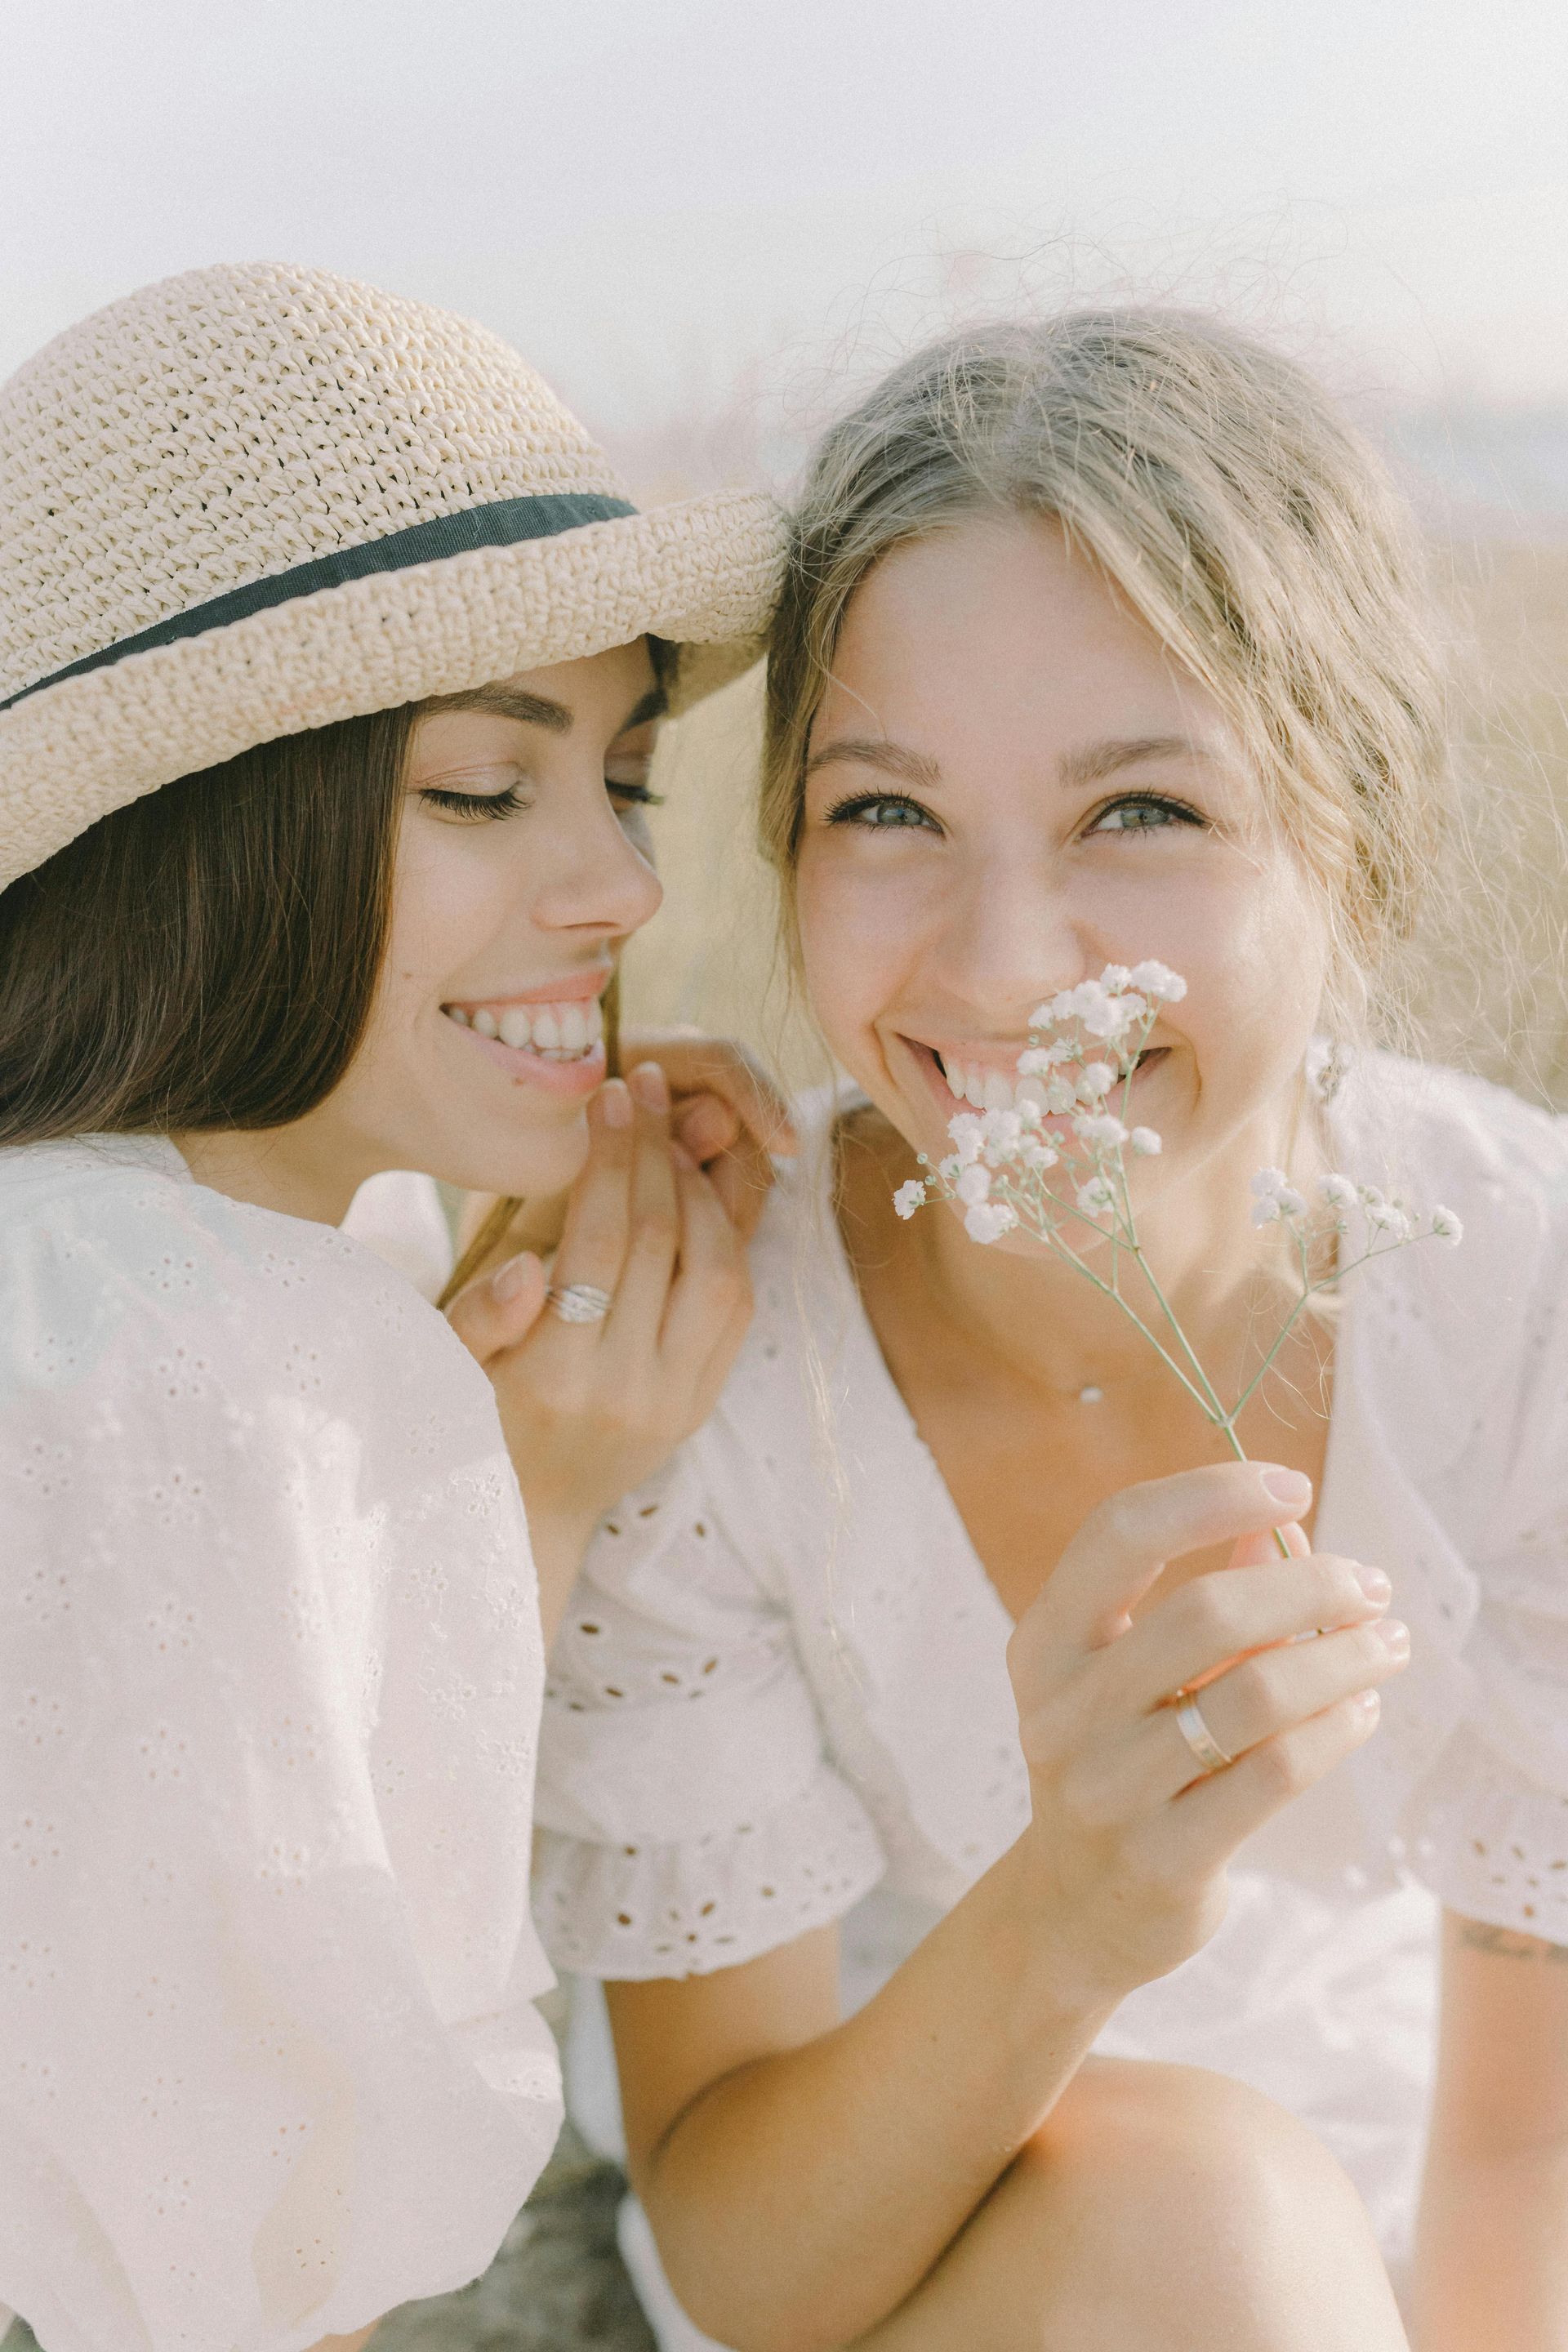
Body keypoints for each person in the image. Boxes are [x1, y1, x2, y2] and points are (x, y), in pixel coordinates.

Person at [529, 315, 1568, 2350]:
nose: (1003, 973)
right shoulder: (715, 1346)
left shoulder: (1516, 1299)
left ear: (1351, 827)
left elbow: (1520, 2160)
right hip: (904, 2200)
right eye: (889, 816)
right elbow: (747, 2258)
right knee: (1204, 2230)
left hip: (1403, 2153)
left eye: (1143, 814)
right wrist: (1077, 1901)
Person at [0, 261, 786, 2352]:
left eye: (622, 778)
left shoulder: (232, 1254)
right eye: (478, 786)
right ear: (198, 824)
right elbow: (260, 2294)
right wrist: (518, 1499)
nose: (620, 891)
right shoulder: (174, 1360)